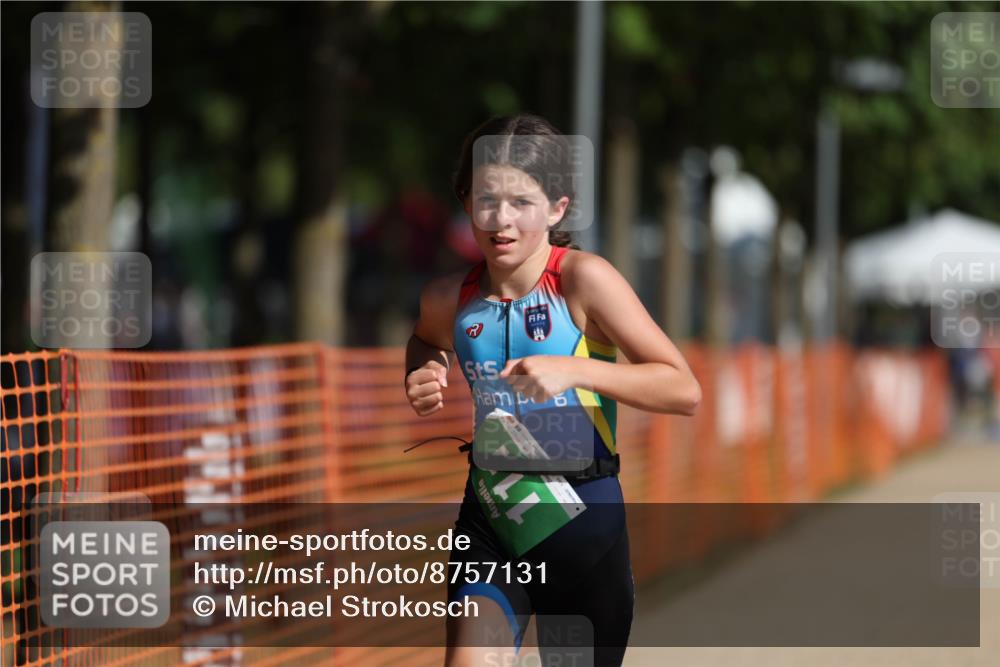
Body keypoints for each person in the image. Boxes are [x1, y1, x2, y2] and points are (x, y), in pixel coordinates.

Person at [403, 113, 701, 667]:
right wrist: (420, 370)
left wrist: (578, 371)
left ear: (558, 207)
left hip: (582, 525)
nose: (501, 219)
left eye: (522, 202)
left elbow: (683, 389)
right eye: (487, 199)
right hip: (492, 519)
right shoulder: (451, 298)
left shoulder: (582, 282)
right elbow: (424, 339)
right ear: (465, 200)